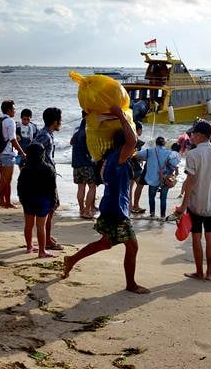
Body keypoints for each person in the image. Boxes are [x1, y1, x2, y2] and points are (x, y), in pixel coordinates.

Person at [63, 106, 149, 294]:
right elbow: (132, 140)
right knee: (132, 247)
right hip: (116, 210)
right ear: (123, 145)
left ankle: (71, 260)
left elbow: (131, 142)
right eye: (133, 146)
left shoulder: (112, 157)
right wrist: (119, 115)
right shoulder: (118, 157)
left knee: (105, 243)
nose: (136, 148)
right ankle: (131, 284)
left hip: (113, 207)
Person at [176, 120, 211, 280]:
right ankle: (210, 272)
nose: (191, 136)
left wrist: (183, 206)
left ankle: (199, 272)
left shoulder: (192, 154)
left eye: (193, 133)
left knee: (196, 237)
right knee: (210, 236)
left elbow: (190, 181)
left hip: (195, 203)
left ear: (199, 135)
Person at [18, 143, 56, 258]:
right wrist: (53, 202)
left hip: (28, 199)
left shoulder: (25, 169)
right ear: (42, 154)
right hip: (43, 200)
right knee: (41, 227)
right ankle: (41, 251)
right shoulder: (48, 168)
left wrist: (21, 199)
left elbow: (20, 186)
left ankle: (29, 247)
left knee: (28, 225)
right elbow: (52, 188)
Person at [34, 107, 63, 250]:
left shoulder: (47, 134)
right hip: (45, 177)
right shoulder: (45, 135)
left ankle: (47, 236)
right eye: (60, 119)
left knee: (51, 207)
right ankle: (47, 240)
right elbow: (34, 152)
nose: (61, 122)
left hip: (47, 175)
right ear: (55, 121)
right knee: (49, 208)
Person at [138, 136, 180, 219]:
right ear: (164, 143)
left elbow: (137, 155)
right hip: (165, 179)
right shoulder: (169, 153)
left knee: (151, 197)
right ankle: (162, 216)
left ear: (156, 143)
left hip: (152, 179)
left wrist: (146, 159)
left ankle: (152, 215)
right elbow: (175, 163)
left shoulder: (149, 151)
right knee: (163, 198)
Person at [0, 100, 25, 208]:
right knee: (7, 180)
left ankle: (1, 201)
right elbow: (13, 140)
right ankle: (7, 202)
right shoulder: (10, 121)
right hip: (7, 154)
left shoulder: (0, 120)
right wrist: (22, 153)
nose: (15, 111)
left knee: (2, 178)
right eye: (14, 109)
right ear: (9, 110)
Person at [70, 112, 96, 219]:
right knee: (92, 187)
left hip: (76, 163)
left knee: (81, 187)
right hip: (86, 163)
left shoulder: (76, 131)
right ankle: (87, 210)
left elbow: (71, 142)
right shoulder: (88, 131)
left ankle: (81, 209)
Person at [130, 121, 147, 214]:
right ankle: (134, 205)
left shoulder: (129, 137)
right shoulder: (135, 139)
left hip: (129, 165)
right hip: (134, 167)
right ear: (138, 130)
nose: (142, 131)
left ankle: (131, 206)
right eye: (141, 129)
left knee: (131, 186)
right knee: (140, 184)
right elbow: (135, 154)